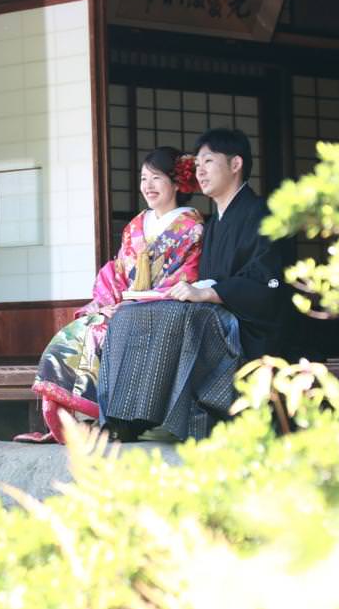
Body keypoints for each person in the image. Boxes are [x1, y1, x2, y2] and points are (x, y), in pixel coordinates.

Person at [98, 127, 284, 443]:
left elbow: (268, 280)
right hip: (215, 312)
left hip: (250, 321)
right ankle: (123, 417)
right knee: (130, 315)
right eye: (196, 163)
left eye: (208, 161)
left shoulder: (261, 213)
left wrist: (210, 293)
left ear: (235, 164)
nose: (199, 170)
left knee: (177, 315)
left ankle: (144, 418)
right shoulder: (213, 224)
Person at [17, 147, 204, 444]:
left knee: (113, 334)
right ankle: (81, 422)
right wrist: (109, 305)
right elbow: (116, 271)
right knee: (79, 332)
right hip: (122, 305)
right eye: (144, 178)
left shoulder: (193, 228)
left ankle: (114, 421)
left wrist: (136, 304)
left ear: (178, 183)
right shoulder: (135, 226)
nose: (148, 186)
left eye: (156, 178)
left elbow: (187, 276)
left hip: (159, 310)